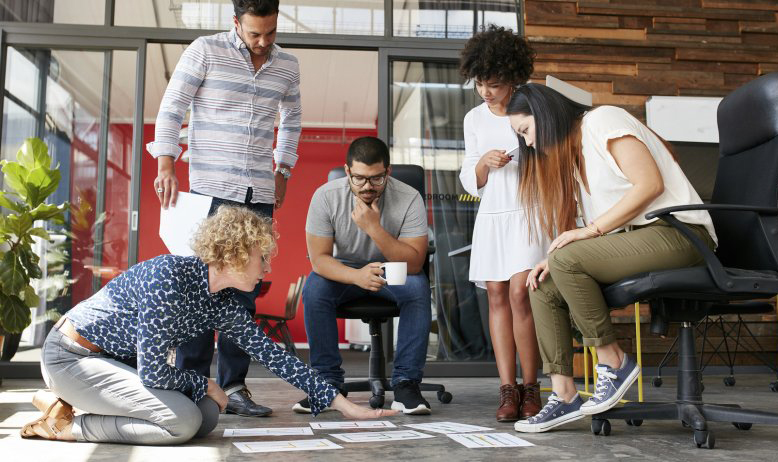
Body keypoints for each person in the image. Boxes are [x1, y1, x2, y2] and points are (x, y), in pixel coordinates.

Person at [20, 206, 394, 444]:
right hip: (72, 357)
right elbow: (153, 373)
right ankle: (67, 426)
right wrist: (208, 383)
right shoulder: (169, 278)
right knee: (183, 422)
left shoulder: (221, 302)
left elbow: (274, 356)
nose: (266, 268)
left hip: (114, 364)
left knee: (208, 416)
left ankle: (66, 404)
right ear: (233, 255)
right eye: (262, 258)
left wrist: (343, 404)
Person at [506, 83, 717, 433]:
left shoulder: (602, 121)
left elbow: (650, 185)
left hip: (681, 234)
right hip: (641, 240)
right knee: (543, 284)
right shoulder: (573, 161)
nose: (527, 143)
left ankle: (614, 361)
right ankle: (564, 394)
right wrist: (555, 257)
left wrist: (586, 235)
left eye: (526, 130)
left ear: (544, 114)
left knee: (566, 260)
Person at [147, 0, 299, 416]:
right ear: (236, 23)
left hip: (258, 193)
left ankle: (234, 387)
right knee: (199, 290)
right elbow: (172, 106)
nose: (263, 42)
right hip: (210, 191)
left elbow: (292, 119)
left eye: (271, 32)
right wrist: (166, 164)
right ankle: (192, 386)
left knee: (245, 294)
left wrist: (283, 169)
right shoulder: (205, 50)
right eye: (254, 33)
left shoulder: (287, 66)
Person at [295, 137, 433, 415]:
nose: (367, 186)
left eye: (376, 178)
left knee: (417, 288)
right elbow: (319, 260)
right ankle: (327, 384)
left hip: (392, 268)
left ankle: (406, 384)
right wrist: (357, 276)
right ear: (347, 171)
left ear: (387, 171)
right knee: (314, 289)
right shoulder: (325, 196)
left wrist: (374, 228)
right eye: (359, 178)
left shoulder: (409, 197)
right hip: (345, 269)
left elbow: (415, 262)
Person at [458, 25, 548, 422]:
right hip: (493, 214)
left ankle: (532, 387)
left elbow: (551, 161)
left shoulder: (533, 106)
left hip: (528, 212)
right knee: (495, 294)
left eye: (493, 84)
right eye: (480, 83)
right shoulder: (474, 118)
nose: (485, 92)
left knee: (519, 294)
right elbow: (469, 178)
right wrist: (483, 163)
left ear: (512, 76)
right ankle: (507, 390)